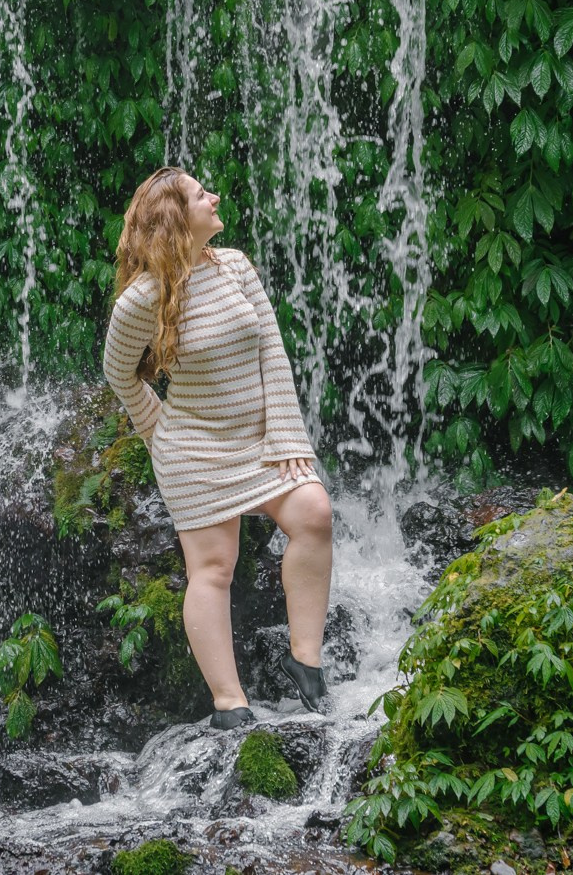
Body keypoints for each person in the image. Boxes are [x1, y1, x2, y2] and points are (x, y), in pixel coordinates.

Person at [101, 166, 334, 728]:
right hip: (195, 451)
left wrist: (285, 437)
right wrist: (157, 430)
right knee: (213, 568)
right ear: (177, 219)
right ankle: (230, 703)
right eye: (201, 194)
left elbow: (272, 353)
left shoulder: (234, 267)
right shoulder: (142, 300)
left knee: (314, 514)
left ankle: (305, 661)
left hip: (258, 440)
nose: (216, 195)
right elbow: (118, 372)